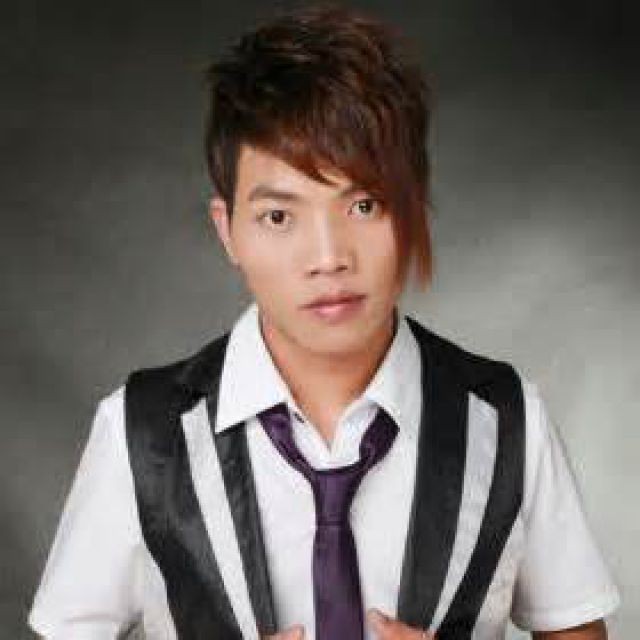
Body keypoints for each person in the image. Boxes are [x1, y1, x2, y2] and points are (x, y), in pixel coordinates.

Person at [28, 4, 621, 640]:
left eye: (364, 205)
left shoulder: (506, 419)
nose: (329, 257)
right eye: (279, 217)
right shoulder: (141, 432)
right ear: (228, 231)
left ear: (413, 207)